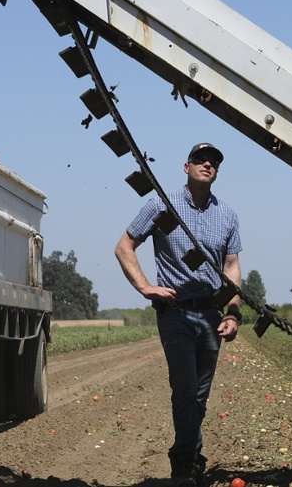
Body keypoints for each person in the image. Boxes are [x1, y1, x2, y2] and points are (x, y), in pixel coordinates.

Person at [114, 142, 243, 487]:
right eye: (200, 159)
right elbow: (124, 246)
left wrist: (233, 313)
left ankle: (187, 457)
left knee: (199, 393)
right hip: (176, 313)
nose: (207, 164)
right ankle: (186, 461)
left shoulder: (227, 215)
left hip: (212, 315)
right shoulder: (160, 204)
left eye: (214, 161)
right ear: (185, 167)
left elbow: (231, 266)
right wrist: (145, 287)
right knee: (185, 388)